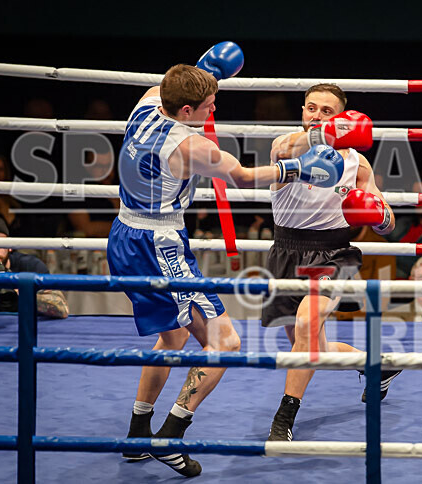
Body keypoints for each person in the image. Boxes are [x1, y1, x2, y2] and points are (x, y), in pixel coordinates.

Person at [107, 55, 345, 477]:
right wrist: (297, 168)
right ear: (185, 111)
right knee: (225, 344)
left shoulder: (146, 102)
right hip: (160, 245)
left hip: (123, 234)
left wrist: (205, 71)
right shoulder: (190, 144)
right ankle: (171, 436)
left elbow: (178, 87)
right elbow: (242, 176)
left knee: (173, 336)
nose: (214, 110)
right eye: (208, 105)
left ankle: (137, 433)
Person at [262, 83, 399, 442]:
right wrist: (324, 135)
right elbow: (283, 149)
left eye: (327, 111)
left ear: (341, 116)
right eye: (311, 108)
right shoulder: (286, 145)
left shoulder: (357, 161)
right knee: (312, 350)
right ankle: (378, 364)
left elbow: (388, 220)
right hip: (285, 251)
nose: (317, 116)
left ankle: (283, 420)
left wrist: (375, 216)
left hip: (333, 254)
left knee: (307, 326)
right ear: (302, 111)